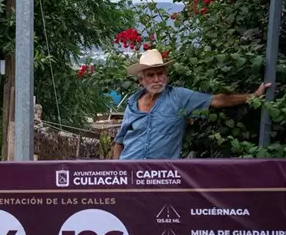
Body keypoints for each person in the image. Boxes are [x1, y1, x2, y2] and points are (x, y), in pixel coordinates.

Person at [112, 49, 271, 160]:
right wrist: (115, 169)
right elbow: (120, 140)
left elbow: (216, 100)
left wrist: (253, 96)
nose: (156, 79)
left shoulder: (179, 97)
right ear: (141, 80)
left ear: (166, 75)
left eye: (160, 73)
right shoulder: (133, 102)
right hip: (129, 172)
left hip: (161, 176)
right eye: (151, 75)